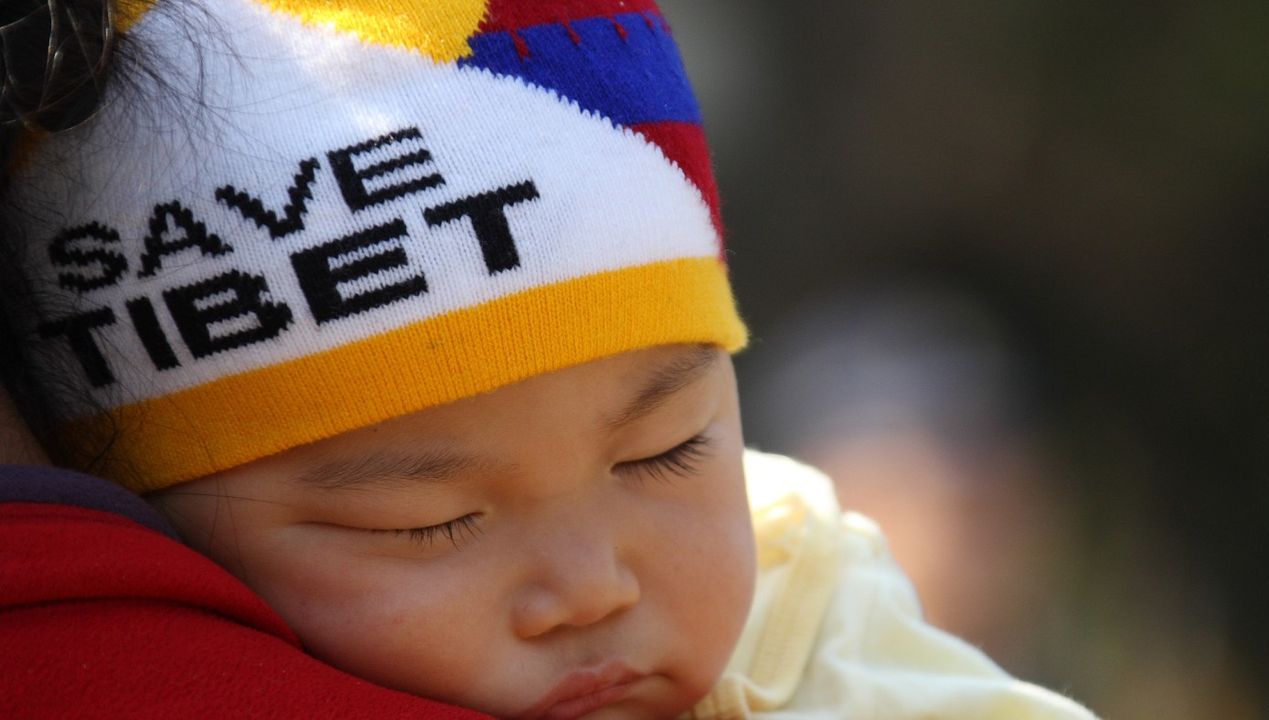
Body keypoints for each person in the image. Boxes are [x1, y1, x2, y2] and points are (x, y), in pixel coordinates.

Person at [0, 0, 1099, 717]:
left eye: (666, 453)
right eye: (426, 523)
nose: (590, 587)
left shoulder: (836, 648)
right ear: (131, 518)